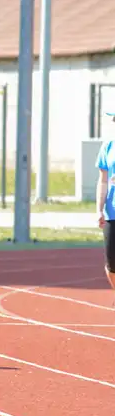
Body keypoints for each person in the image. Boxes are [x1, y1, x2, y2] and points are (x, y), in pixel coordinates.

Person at [96, 114, 115, 291]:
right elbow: (103, 180)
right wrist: (99, 209)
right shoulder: (108, 146)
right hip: (112, 212)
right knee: (112, 265)